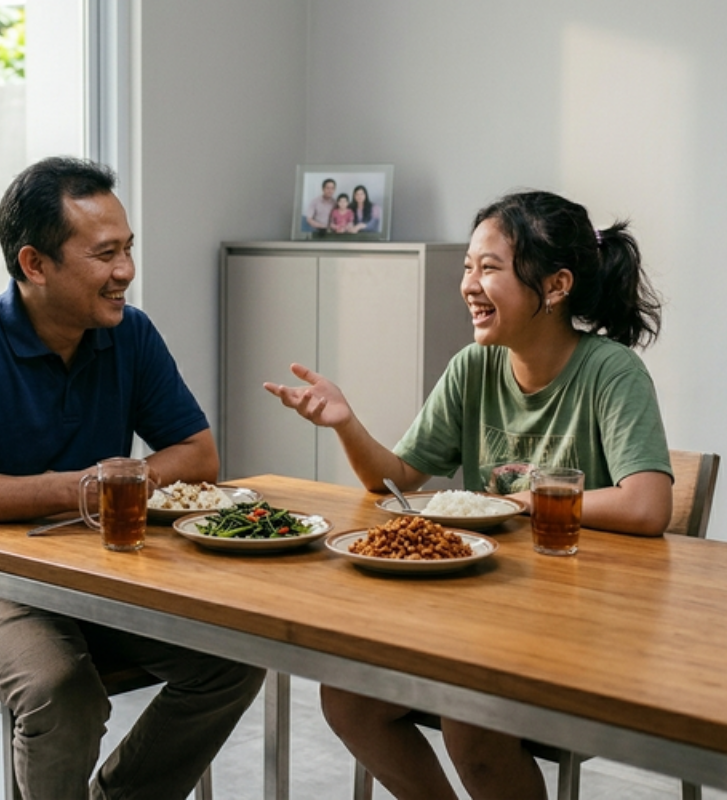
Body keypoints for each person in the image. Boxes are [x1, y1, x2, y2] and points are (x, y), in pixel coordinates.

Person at [264, 189, 673, 800]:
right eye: (467, 267)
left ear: (556, 286)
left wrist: (522, 501)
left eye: (490, 268)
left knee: (469, 718)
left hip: (583, 627)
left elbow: (647, 505)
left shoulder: (610, 372)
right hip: (483, 615)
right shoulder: (472, 369)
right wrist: (346, 422)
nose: (470, 285)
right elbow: (398, 481)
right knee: (348, 698)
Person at [0, 156, 265, 800]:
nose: (125, 271)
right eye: (104, 255)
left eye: (127, 249)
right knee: (60, 693)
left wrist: (123, 478)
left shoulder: (130, 334)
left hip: (102, 579)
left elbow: (198, 453)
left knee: (231, 660)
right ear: (34, 264)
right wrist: (83, 487)